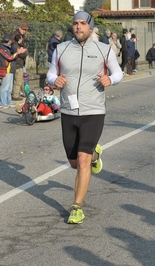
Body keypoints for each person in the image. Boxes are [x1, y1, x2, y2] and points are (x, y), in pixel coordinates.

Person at [47, 11, 123, 224]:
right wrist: (55, 80)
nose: (78, 27)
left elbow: (118, 73)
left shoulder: (103, 49)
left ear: (90, 27)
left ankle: (77, 207)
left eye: (82, 23)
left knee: (82, 160)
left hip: (94, 110)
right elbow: (51, 72)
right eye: (75, 23)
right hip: (69, 111)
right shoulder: (61, 49)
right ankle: (96, 156)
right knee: (74, 162)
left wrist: (110, 80)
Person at [0, 34, 26, 108]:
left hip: (11, 69)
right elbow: (9, 57)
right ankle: (2, 103)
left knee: (9, 87)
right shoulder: (2, 48)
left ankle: (8, 101)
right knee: (5, 87)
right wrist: (18, 53)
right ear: (9, 41)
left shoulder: (9, 48)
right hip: (6, 69)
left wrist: (18, 53)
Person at [11, 34, 28, 100]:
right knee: (18, 80)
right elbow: (22, 55)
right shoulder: (16, 46)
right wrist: (24, 52)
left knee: (21, 80)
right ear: (20, 39)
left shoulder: (16, 45)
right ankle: (15, 95)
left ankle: (23, 93)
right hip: (18, 65)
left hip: (18, 64)